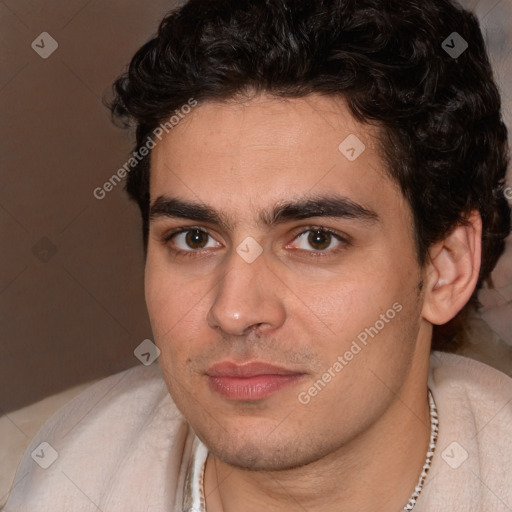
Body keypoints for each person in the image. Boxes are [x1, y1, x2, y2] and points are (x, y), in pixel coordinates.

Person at [4, 0, 512, 510]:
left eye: (316, 239)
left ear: (446, 268)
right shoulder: (34, 478)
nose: (234, 311)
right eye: (195, 238)